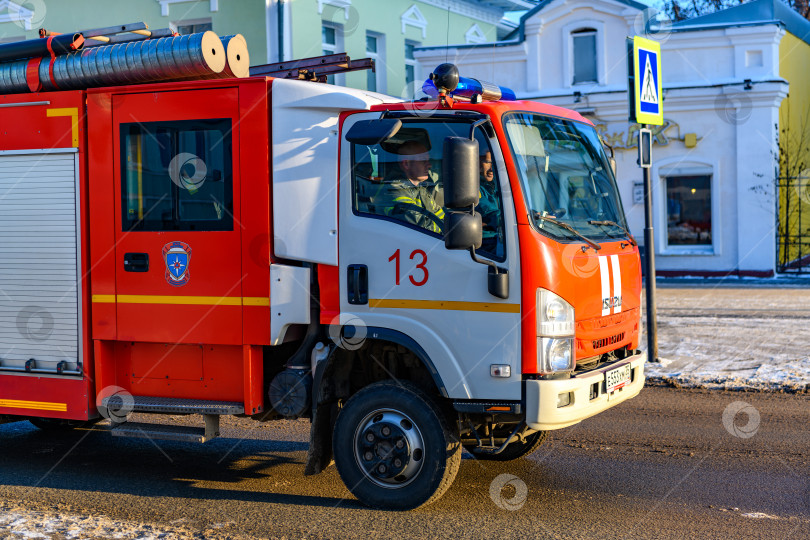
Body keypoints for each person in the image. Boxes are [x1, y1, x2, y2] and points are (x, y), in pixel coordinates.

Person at [382, 141, 445, 233]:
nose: (429, 165)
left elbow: (441, 216)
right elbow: (418, 225)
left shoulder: (421, 190)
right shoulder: (393, 190)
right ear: (406, 164)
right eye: (423, 161)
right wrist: (446, 228)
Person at [477, 150, 501, 254]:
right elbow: (488, 213)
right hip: (484, 244)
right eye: (487, 162)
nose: (492, 169)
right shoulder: (471, 188)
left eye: (493, 163)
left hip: (498, 239)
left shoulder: (494, 186)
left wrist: (533, 215)